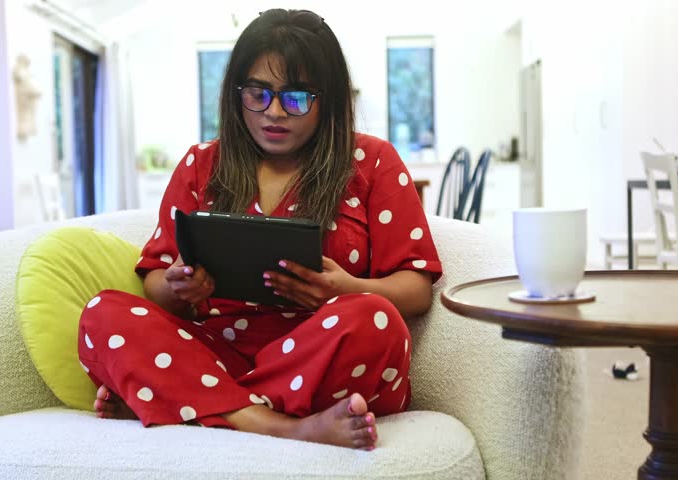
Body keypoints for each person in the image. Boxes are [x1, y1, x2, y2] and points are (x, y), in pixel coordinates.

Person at [78, 8, 441, 451]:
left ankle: (181, 401)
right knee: (103, 313)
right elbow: (156, 280)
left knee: (375, 320)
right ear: (237, 93)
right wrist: (179, 287)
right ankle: (282, 426)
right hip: (216, 353)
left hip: (321, 356)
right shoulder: (200, 164)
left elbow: (417, 288)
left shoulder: (372, 161)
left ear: (327, 100)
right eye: (258, 93)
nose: (274, 112)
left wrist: (343, 289)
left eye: (295, 97)